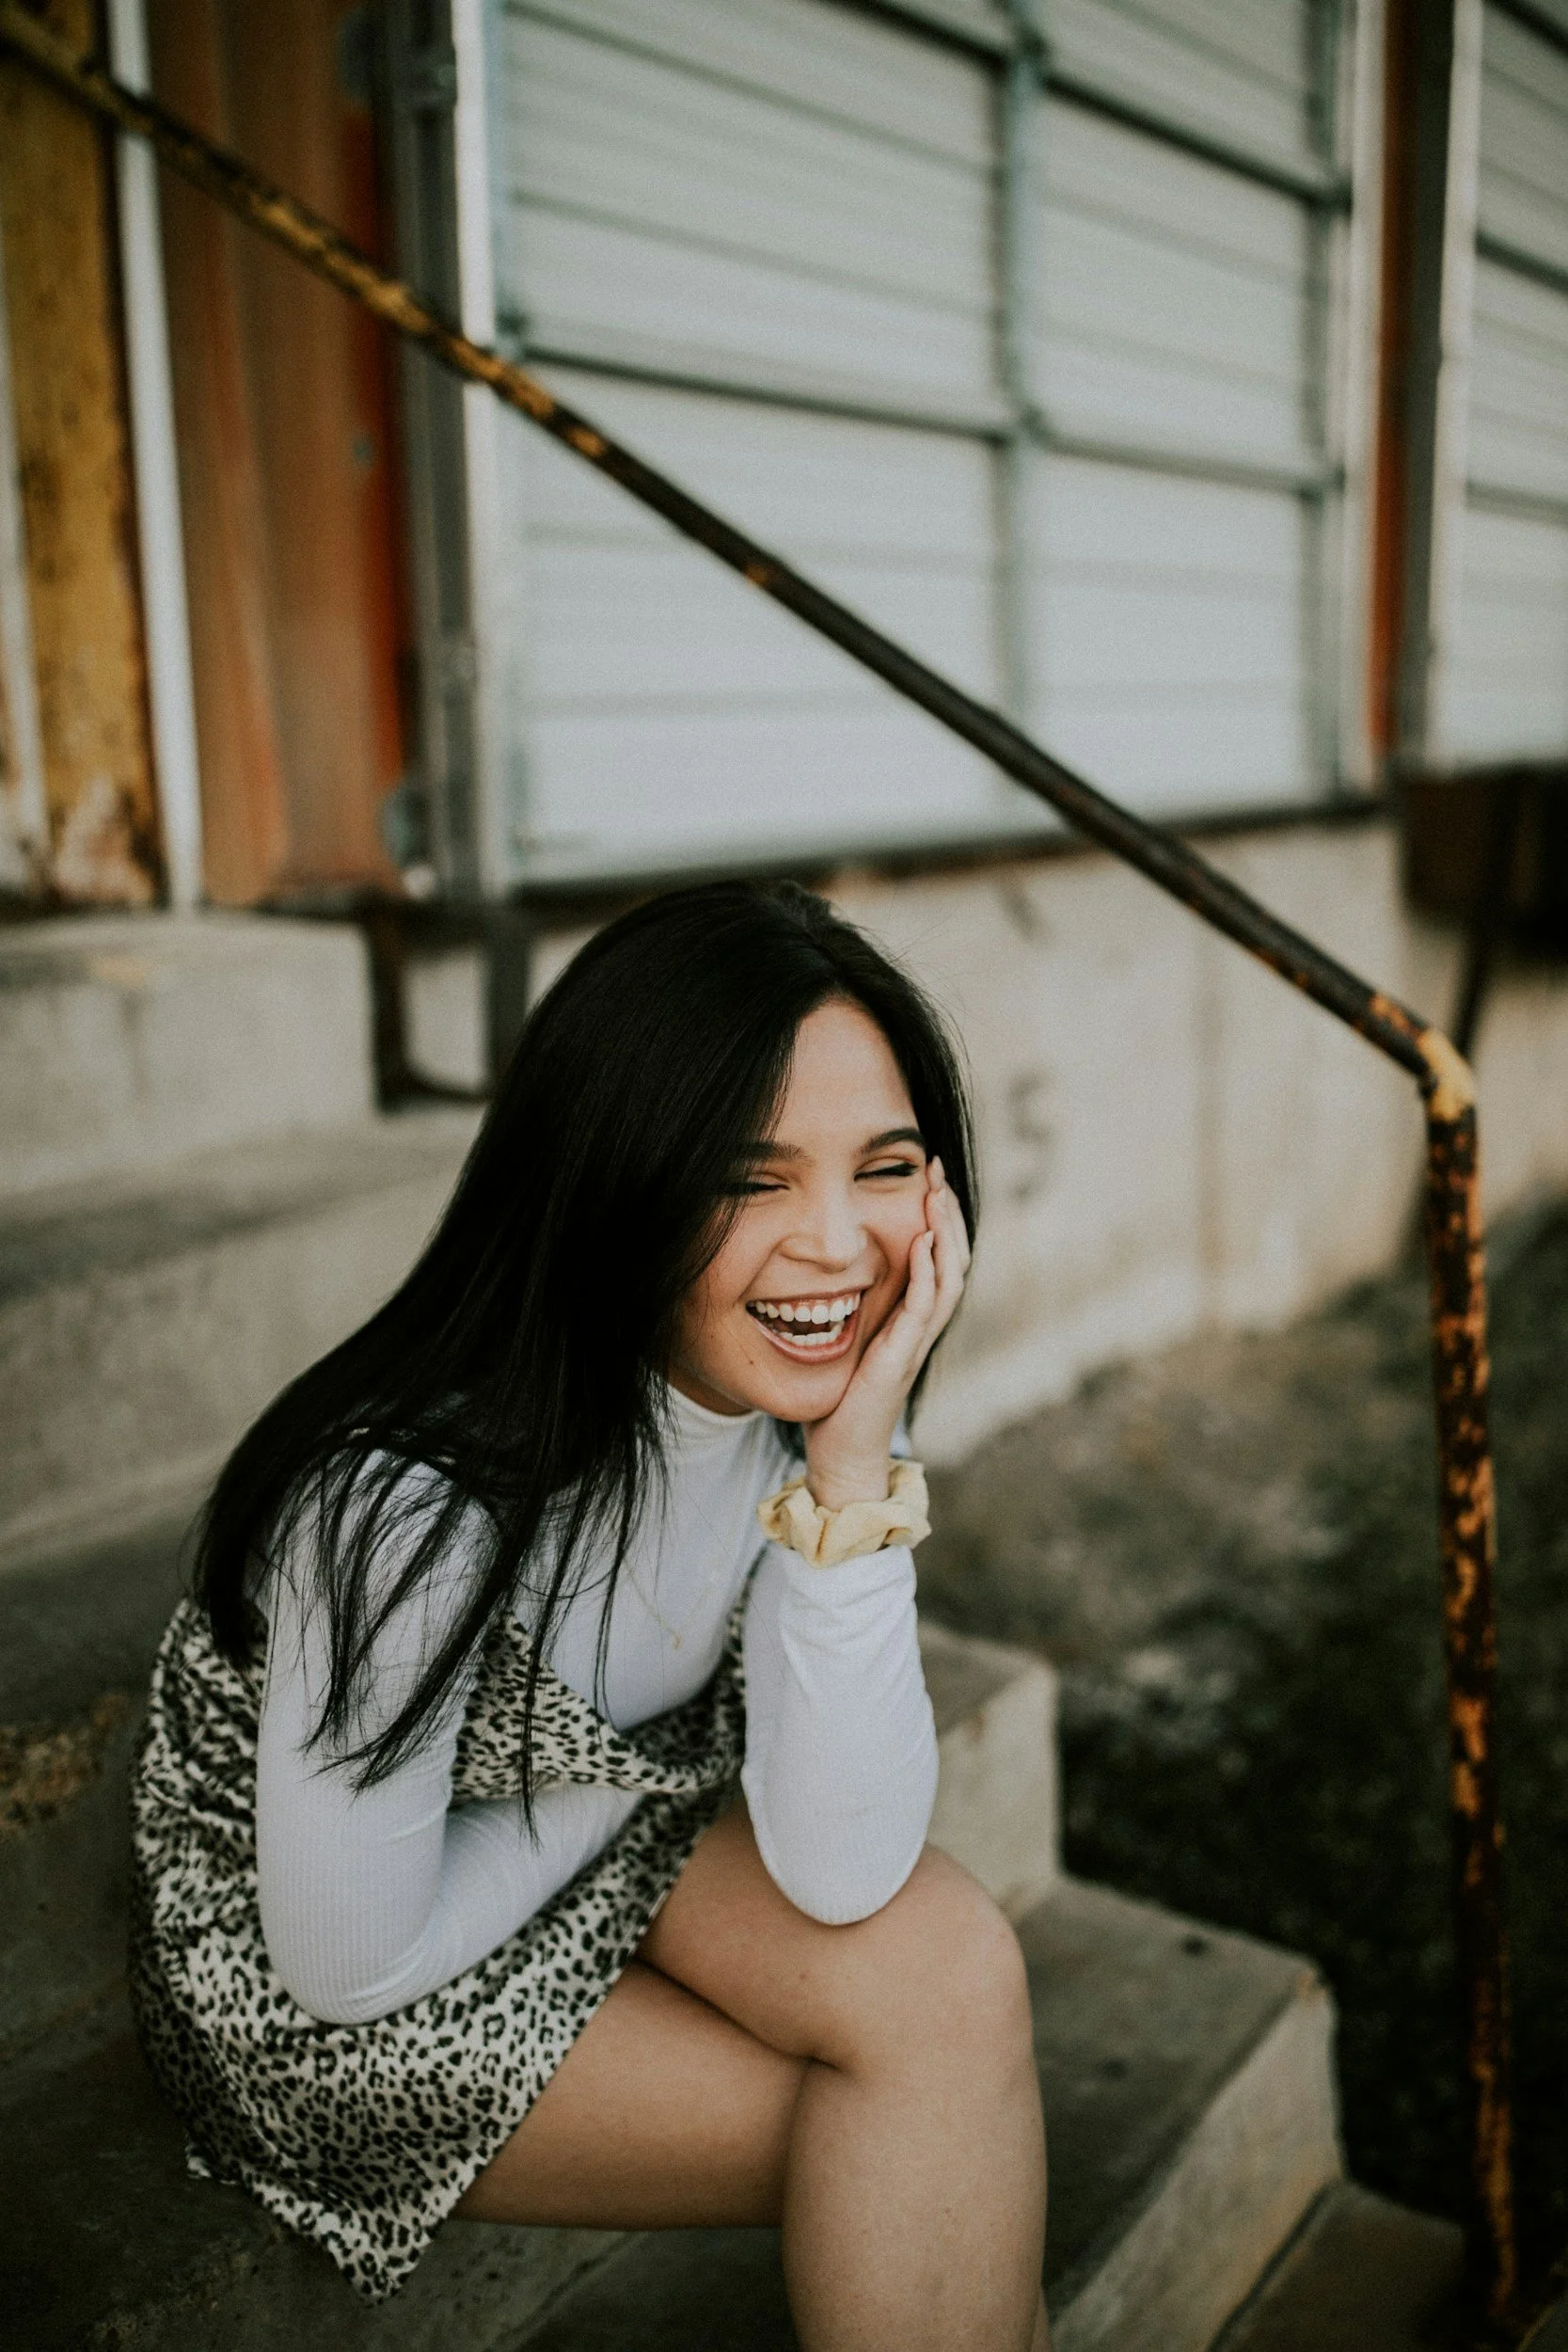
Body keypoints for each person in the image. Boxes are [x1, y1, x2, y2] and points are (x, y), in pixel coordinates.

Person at [129, 880, 1050, 2351]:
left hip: (587, 1816)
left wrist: (851, 1470)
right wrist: (622, 1797)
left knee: (949, 1977)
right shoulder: (404, 1505)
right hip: (331, 1974)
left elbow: (841, 1866)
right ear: (613, 1179)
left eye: (882, 1167)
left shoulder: (773, 1411)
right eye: (751, 1179)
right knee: (915, 2118)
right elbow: (348, 1957)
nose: (835, 1245)